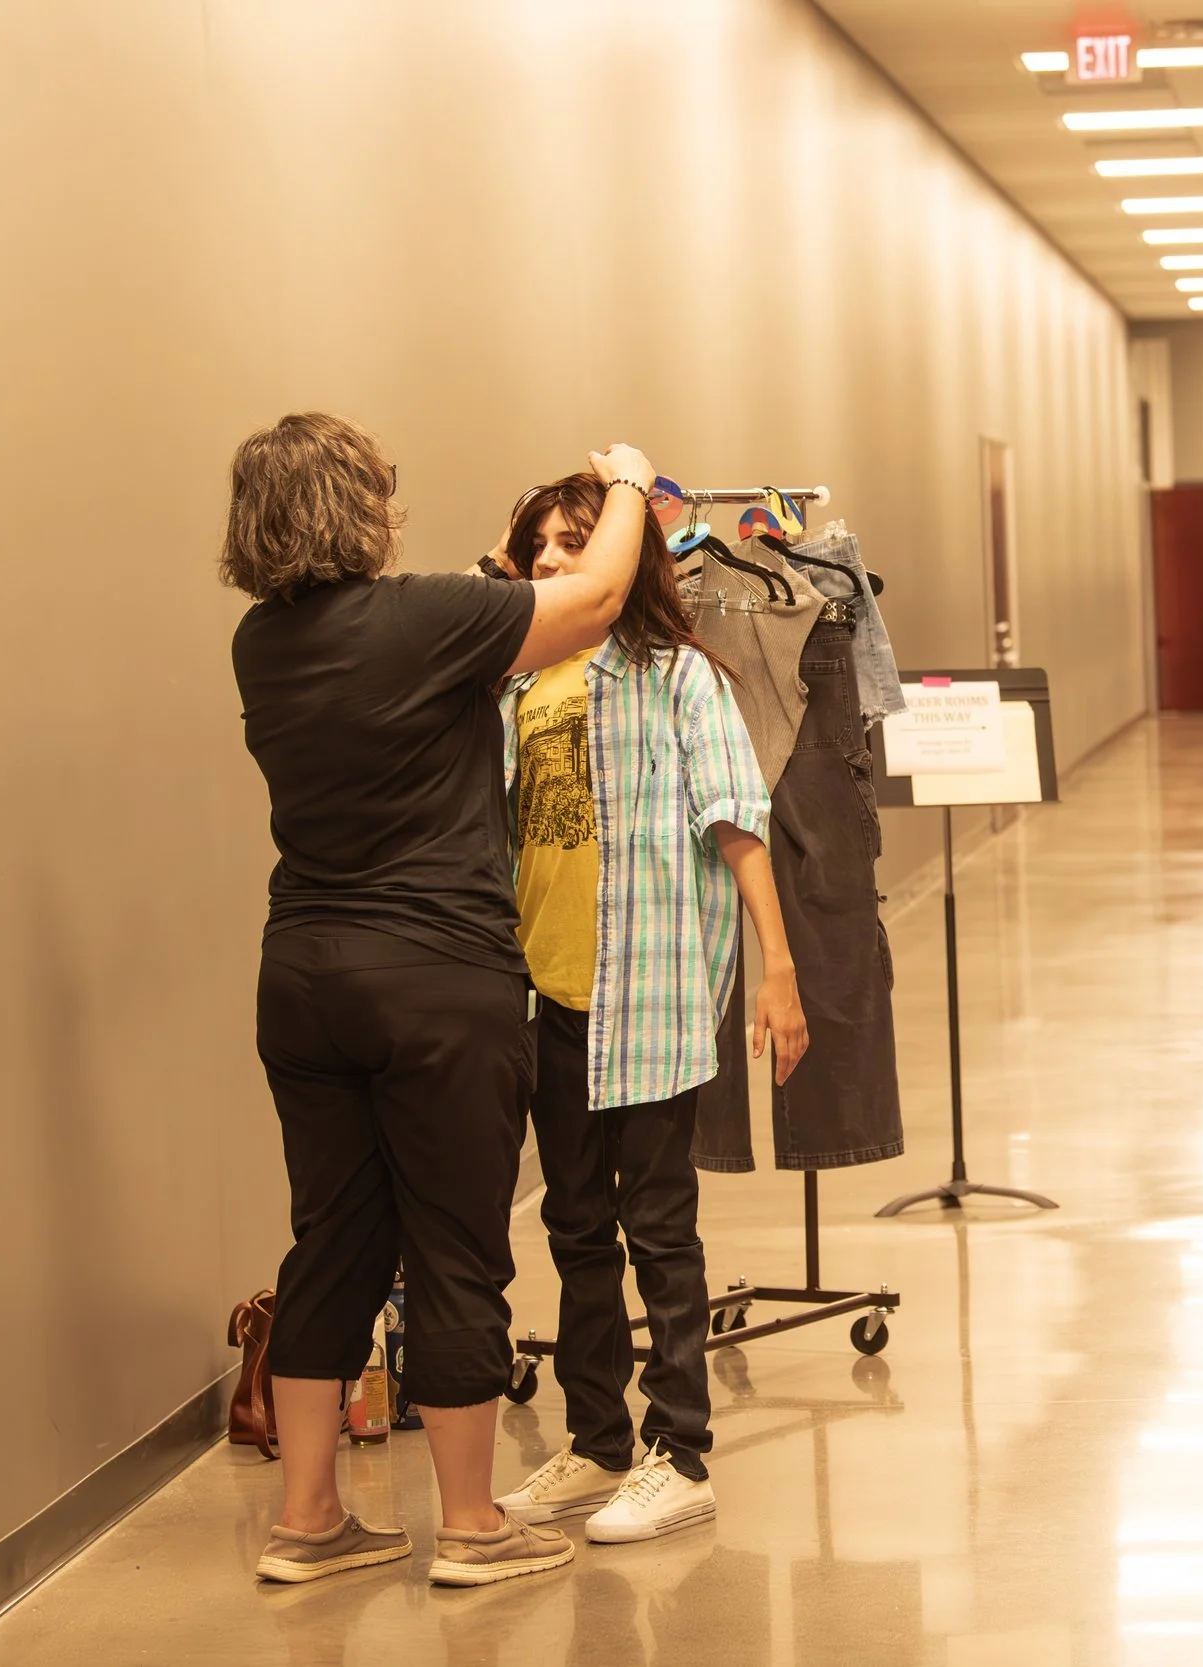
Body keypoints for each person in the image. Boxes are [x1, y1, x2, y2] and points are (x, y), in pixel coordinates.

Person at [225, 412, 660, 1589]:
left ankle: (308, 1519)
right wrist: (626, 482)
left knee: (333, 1243)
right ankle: (471, 1521)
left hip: (304, 977)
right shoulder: (424, 616)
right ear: (357, 506)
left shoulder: (259, 642)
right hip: (436, 984)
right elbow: (601, 596)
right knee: (457, 1243)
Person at [489, 476, 810, 1542]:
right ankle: (595, 1442)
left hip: (653, 988)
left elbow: (737, 821)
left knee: (658, 1229)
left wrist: (779, 967)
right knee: (574, 1226)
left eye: (571, 545)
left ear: (622, 558)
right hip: (552, 993)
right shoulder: (516, 684)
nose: (545, 564)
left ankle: (682, 1451)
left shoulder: (675, 676)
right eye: (535, 547)